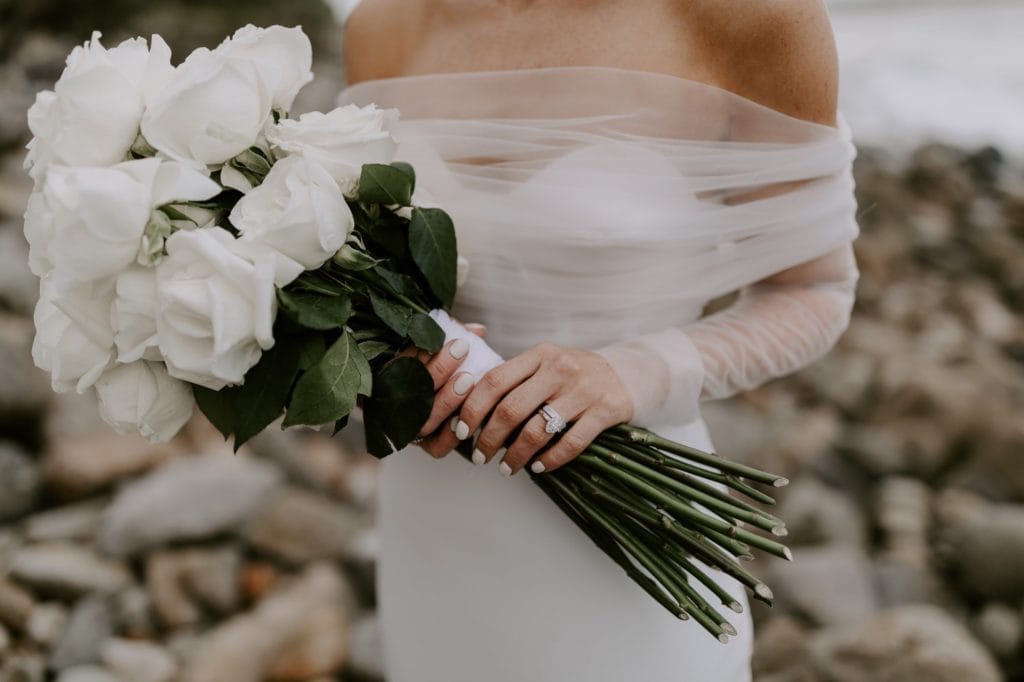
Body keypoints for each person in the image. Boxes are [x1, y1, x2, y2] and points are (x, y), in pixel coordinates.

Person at [338, 1, 860, 680]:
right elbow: (358, 267)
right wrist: (386, 361)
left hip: (636, 542)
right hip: (433, 526)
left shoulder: (751, 16)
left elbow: (815, 290)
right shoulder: (383, 23)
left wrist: (636, 372)